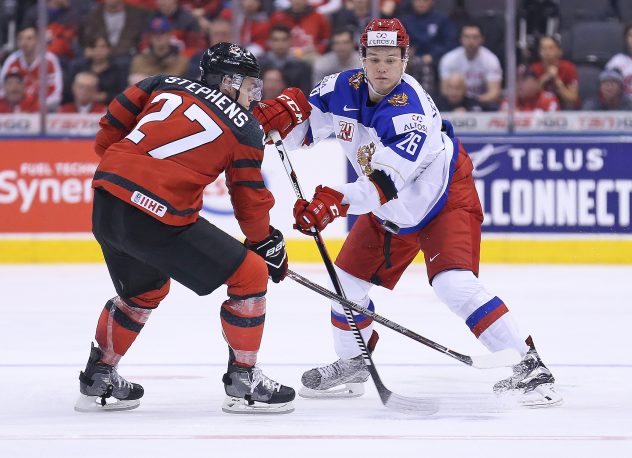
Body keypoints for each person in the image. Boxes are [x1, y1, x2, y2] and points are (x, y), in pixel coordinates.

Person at [253, 19, 562, 407]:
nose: (382, 68)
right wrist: (281, 122)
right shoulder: (339, 87)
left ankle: (529, 365)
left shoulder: (409, 112)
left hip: (441, 200)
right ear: (362, 58)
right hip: (389, 210)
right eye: (374, 59)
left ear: (405, 60)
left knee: (453, 285)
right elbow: (306, 130)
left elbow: (382, 186)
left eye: (391, 59)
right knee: (345, 285)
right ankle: (354, 362)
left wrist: (332, 202)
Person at [75, 42, 298, 415]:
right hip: (153, 217)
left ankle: (99, 374)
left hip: (107, 200)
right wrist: (265, 242)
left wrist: (140, 178)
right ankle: (244, 379)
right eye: (248, 86)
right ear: (228, 81)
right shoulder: (244, 127)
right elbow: (248, 199)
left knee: (145, 289)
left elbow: (107, 134)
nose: (251, 96)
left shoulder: (160, 83)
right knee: (251, 274)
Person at [438, 23, 503, 110]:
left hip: (481, 103)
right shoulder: (449, 59)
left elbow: (494, 92)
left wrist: (471, 103)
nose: (471, 41)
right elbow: (445, 90)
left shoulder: (491, 60)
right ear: (461, 39)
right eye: (467, 37)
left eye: (475, 37)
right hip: (454, 103)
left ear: (482, 39)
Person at [529, 35, 579, 110]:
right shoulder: (534, 69)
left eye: (551, 48)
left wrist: (556, 80)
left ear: (559, 51)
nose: (547, 52)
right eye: (543, 48)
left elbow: (572, 98)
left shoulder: (569, 68)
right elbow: (529, 96)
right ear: (539, 52)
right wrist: (545, 77)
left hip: (564, 107)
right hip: (541, 107)